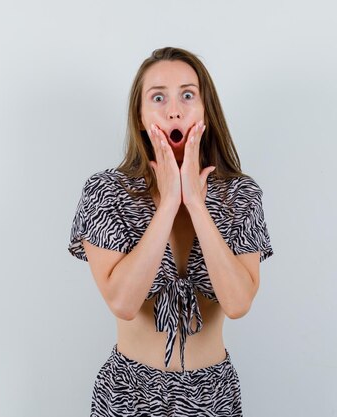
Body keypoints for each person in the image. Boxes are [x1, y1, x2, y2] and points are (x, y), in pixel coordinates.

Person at [68, 47, 274, 417]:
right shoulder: (105, 192)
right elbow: (123, 302)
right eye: (158, 97)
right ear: (141, 116)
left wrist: (196, 203)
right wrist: (167, 205)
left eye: (188, 94)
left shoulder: (240, 195)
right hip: (129, 392)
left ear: (206, 110)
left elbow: (239, 302)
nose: (174, 109)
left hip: (213, 395)